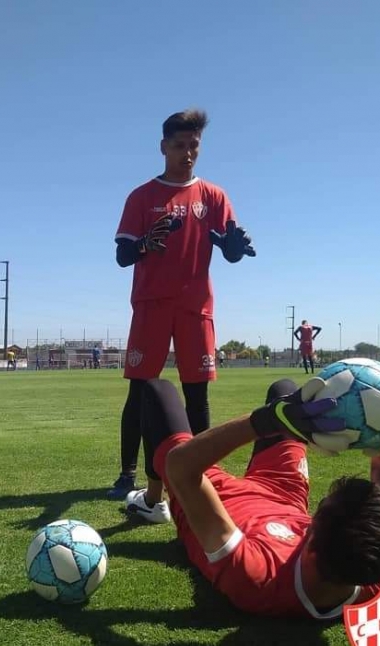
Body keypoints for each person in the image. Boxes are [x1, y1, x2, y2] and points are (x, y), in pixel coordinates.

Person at [123, 376, 380, 618]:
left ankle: (152, 500)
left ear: (311, 533)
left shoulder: (258, 577)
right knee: (286, 389)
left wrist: (270, 420)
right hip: (284, 493)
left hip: (214, 498)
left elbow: (181, 468)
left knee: (156, 389)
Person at [109, 108, 255, 499]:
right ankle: (127, 475)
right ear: (163, 147)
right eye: (179, 145)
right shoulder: (142, 196)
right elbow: (123, 256)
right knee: (140, 394)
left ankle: (201, 474)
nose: (187, 153)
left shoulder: (214, 196)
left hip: (196, 308)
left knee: (197, 396)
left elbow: (230, 251)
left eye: (193, 145)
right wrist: (144, 243)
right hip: (152, 306)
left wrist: (234, 249)